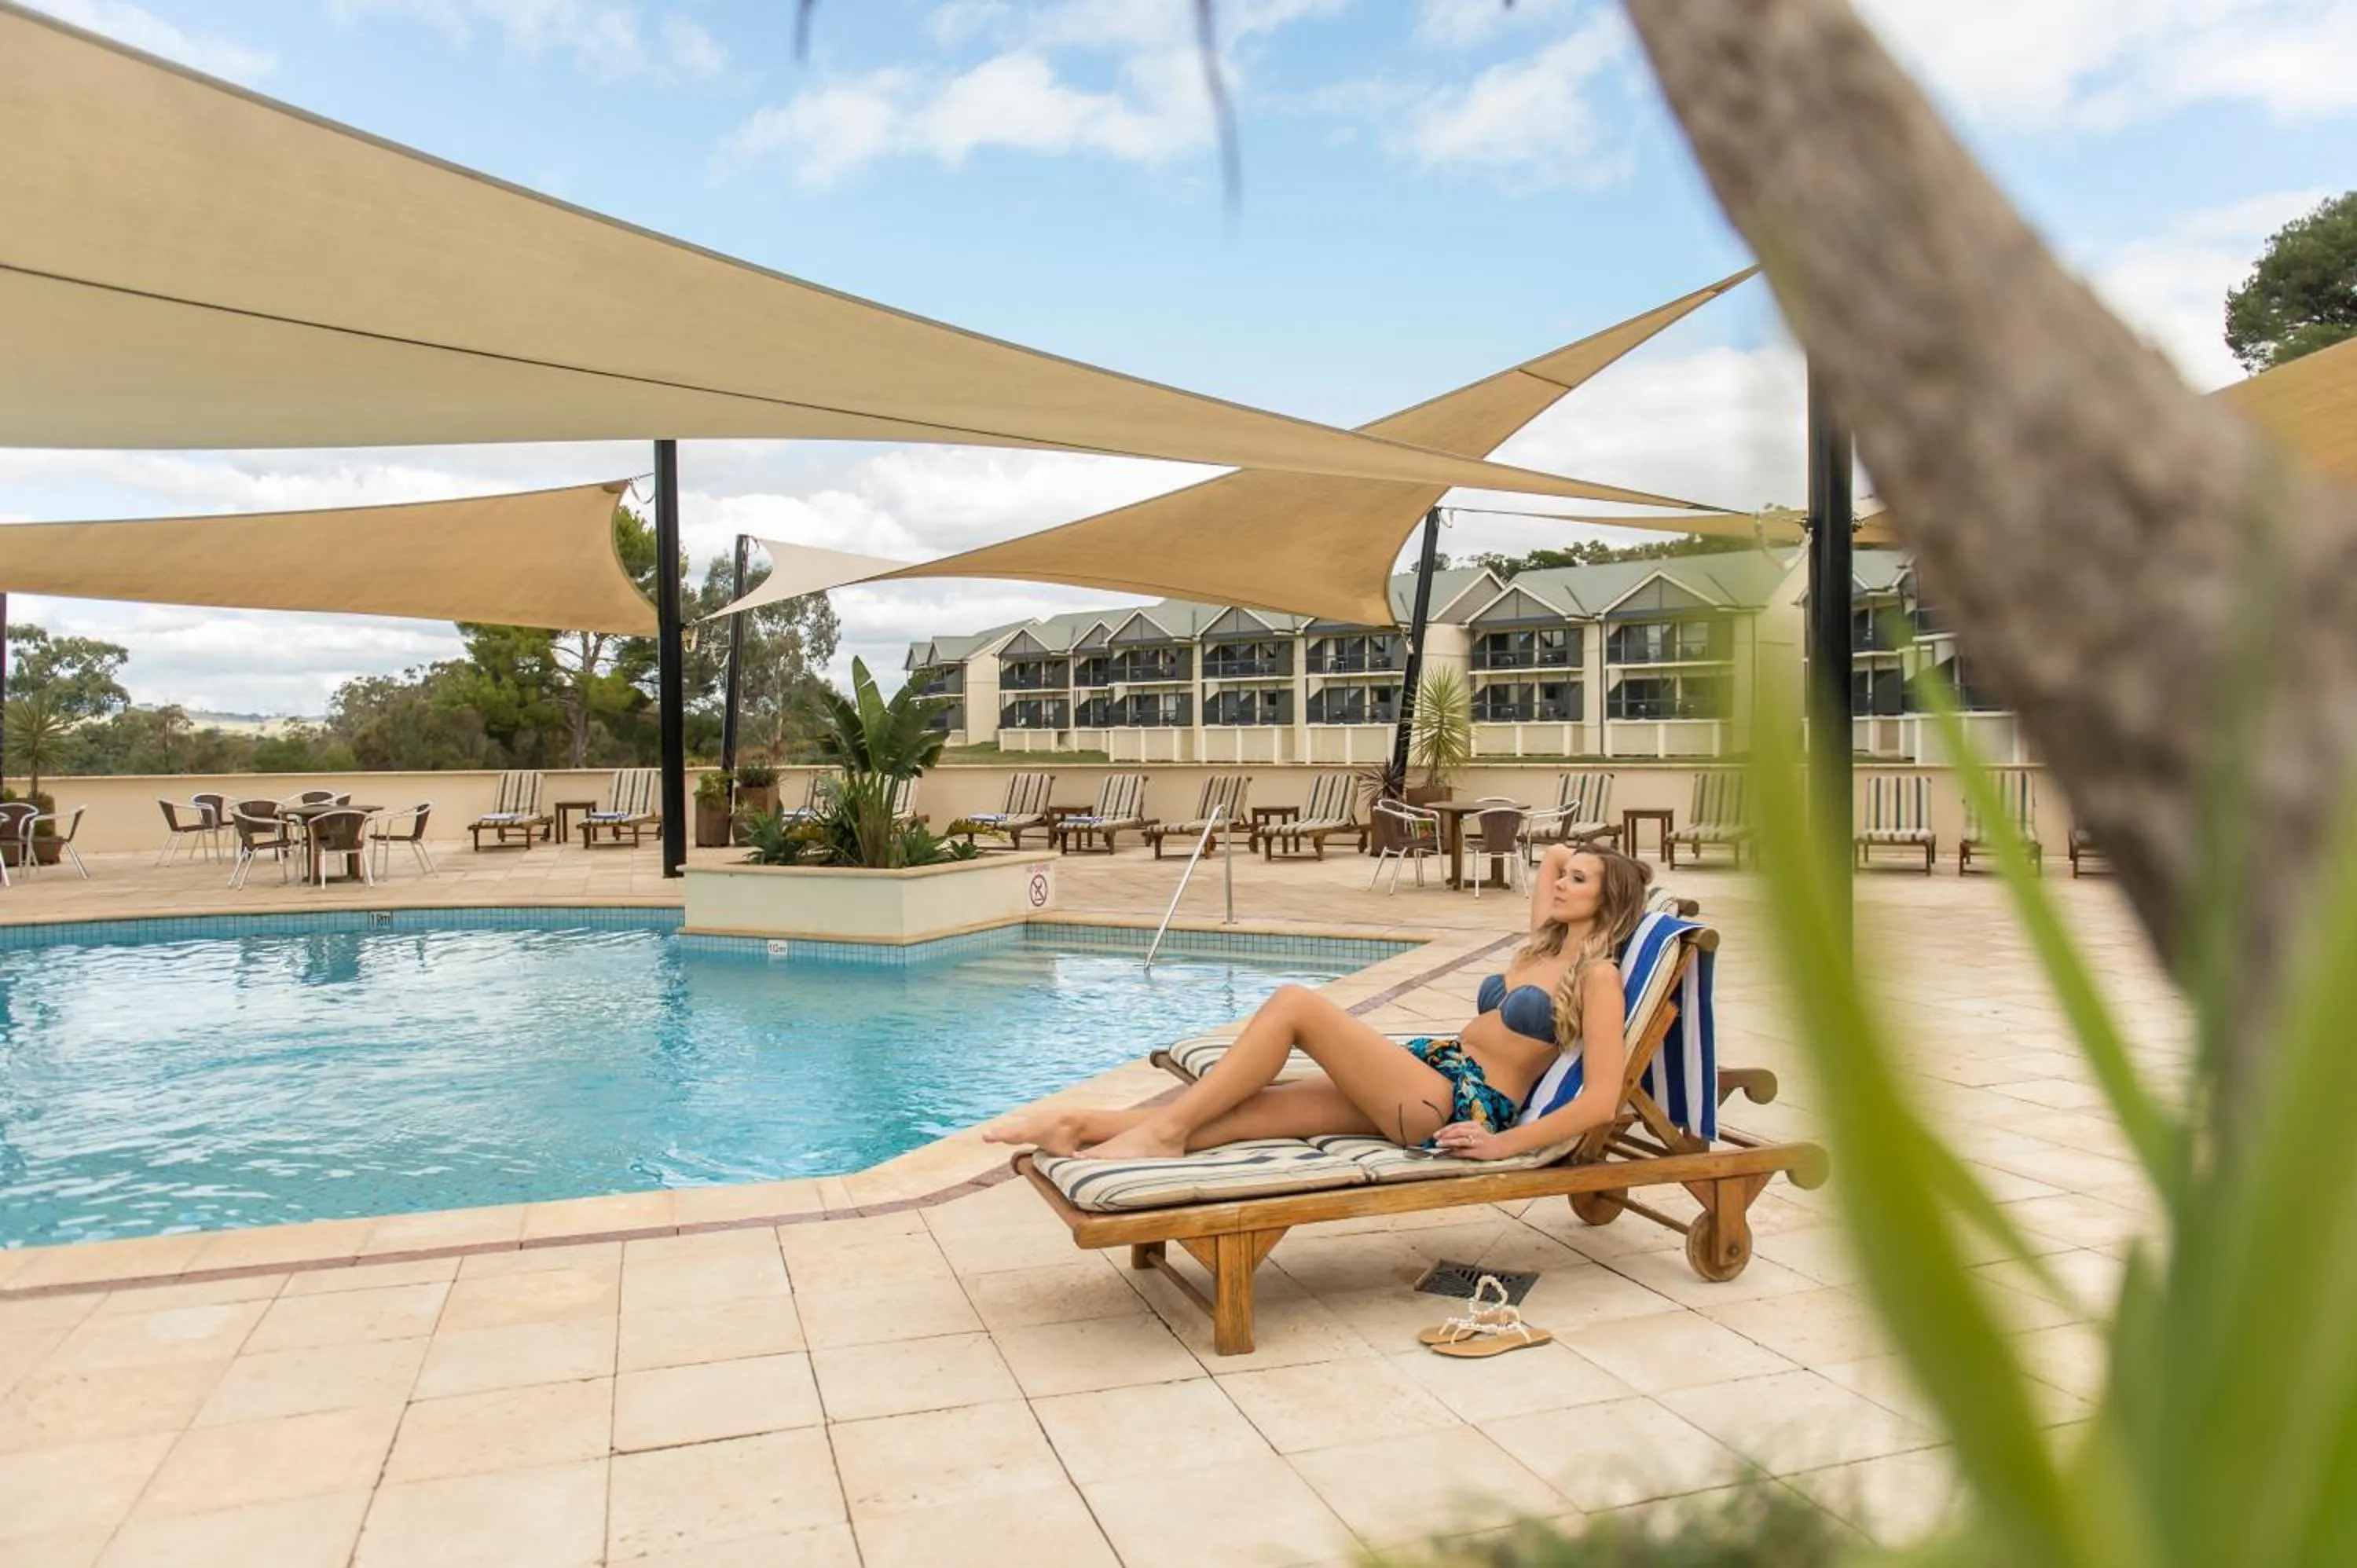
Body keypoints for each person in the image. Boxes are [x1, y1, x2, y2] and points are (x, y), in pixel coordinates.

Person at [984, 841, 1651, 1163]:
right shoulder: (1542, 945)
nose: (1560, 881)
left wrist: (1505, 1147)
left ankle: (1158, 1133)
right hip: (1428, 1073)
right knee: (1252, 1112)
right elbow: (1551, 853)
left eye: (1579, 880)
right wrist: (1580, 859)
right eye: (1563, 878)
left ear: (1609, 899)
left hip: (1454, 1104)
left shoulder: (1598, 978)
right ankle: (1078, 1126)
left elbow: (1600, 1101)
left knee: (1297, 1003)